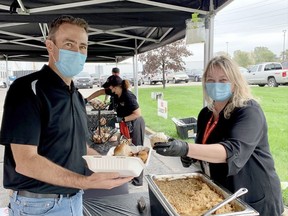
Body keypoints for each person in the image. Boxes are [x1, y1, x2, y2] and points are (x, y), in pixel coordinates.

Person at [0, 15, 132, 216]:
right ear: (50, 47)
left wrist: (115, 164)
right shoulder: (28, 89)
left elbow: (80, 146)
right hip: (39, 206)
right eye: (69, 44)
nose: (77, 52)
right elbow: (25, 161)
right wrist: (86, 182)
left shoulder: (76, 96)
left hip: (73, 199)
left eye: (83, 46)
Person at [153, 55, 284, 216]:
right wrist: (192, 156)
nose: (216, 85)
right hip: (223, 193)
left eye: (223, 80)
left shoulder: (248, 111)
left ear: (235, 83)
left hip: (254, 195)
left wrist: (186, 148)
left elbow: (231, 151)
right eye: (210, 80)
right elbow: (204, 144)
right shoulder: (206, 114)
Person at [105, 75, 146, 187]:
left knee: (137, 150)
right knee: (127, 149)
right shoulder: (116, 96)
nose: (109, 89)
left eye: (110, 87)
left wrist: (122, 119)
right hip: (126, 124)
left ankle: (138, 180)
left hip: (136, 123)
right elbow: (101, 92)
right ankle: (129, 176)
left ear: (115, 87)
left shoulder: (128, 96)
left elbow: (137, 114)